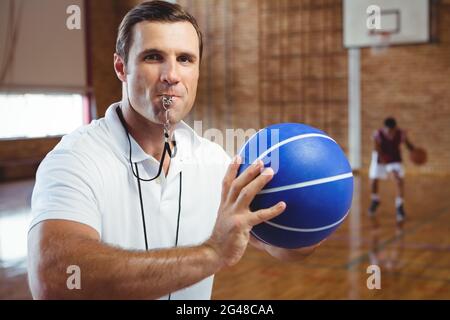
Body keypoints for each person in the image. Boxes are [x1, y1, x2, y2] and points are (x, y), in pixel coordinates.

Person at [27, 1, 318, 300]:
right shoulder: (74, 159)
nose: (171, 75)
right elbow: (56, 278)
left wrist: (315, 211)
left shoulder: (216, 162)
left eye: (185, 59)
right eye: (153, 57)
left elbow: (285, 248)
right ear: (121, 67)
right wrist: (212, 253)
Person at [368, 117, 415, 223]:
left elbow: (407, 144)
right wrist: (384, 163)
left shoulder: (400, 134)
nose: (390, 133)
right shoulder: (378, 134)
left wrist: (414, 151)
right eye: (388, 130)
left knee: (398, 181)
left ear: (395, 128)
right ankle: (375, 200)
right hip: (380, 158)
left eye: (392, 131)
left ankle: (399, 207)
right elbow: (377, 148)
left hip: (394, 159)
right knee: (373, 181)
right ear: (384, 128)